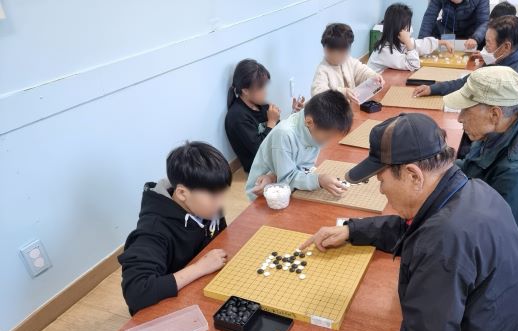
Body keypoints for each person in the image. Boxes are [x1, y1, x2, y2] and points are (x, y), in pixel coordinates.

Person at [300, 113, 518, 331]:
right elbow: (413, 228)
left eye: (382, 180)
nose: (382, 191)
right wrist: (353, 230)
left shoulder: (443, 241)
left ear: (413, 175)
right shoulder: (472, 192)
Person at [443, 66, 518, 267]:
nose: (459, 118)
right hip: (488, 221)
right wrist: (437, 166)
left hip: (506, 258)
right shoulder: (504, 128)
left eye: (466, 110)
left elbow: (490, 235)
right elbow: (472, 166)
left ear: (494, 114)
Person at [119, 142, 232, 314]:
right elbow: (136, 292)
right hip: (164, 308)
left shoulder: (207, 208)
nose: (221, 202)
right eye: (214, 196)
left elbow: (220, 239)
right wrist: (199, 268)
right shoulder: (153, 231)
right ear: (182, 193)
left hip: (198, 287)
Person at [245, 90, 353, 200]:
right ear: (309, 122)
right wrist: (319, 180)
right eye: (327, 137)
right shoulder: (284, 134)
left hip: (285, 180)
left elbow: (301, 167)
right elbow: (286, 179)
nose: (327, 142)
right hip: (265, 192)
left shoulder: (312, 124)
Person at [414, 15, 518, 104]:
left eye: (488, 43)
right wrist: (433, 88)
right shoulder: (497, 60)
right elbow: (468, 82)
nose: (485, 47)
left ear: (506, 46)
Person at [225, 59, 305, 173]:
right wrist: (271, 122)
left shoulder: (261, 105)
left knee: (307, 143)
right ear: (245, 90)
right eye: (260, 87)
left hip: (276, 155)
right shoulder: (237, 116)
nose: (265, 92)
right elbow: (260, 149)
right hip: (260, 167)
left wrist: (294, 113)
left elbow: (281, 132)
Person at [368, 3, 453, 74]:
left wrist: (442, 42)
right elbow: (414, 65)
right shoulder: (385, 51)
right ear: (398, 27)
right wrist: (408, 42)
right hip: (374, 87)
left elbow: (420, 45)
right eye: (407, 25)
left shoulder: (399, 42)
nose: (409, 28)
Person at [311, 23, 384, 102]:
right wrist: (343, 92)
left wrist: (373, 76)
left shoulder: (348, 60)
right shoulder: (323, 70)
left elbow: (362, 71)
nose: (346, 54)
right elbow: (317, 93)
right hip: (335, 109)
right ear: (327, 50)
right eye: (342, 52)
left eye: (347, 50)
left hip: (351, 106)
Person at [418, 0, 490, 51]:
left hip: (471, 33)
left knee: (484, 36)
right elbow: (430, 17)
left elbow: (484, 22)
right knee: (432, 33)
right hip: (447, 29)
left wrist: (475, 38)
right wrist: (421, 43)